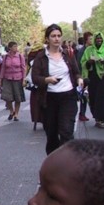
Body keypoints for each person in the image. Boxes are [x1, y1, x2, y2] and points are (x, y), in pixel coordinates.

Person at [31, 24, 82, 154]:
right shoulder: (41, 57)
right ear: (47, 38)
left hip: (68, 97)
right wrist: (47, 80)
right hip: (49, 99)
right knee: (52, 135)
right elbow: (35, 77)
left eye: (59, 36)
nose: (56, 39)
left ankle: (67, 164)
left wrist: (79, 79)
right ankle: (53, 164)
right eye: (53, 36)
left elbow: (76, 72)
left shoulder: (68, 54)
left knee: (66, 132)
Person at [80, 32, 104, 128]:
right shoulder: (89, 50)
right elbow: (83, 62)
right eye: (97, 39)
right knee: (93, 98)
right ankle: (96, 118)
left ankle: (102, 119)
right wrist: (89, 62)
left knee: (102, 99)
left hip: (103, 78)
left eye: (100, 39)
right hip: (93, 77)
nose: (99, 40)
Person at [0, 41, 25, 122]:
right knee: (7, 97)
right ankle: (11, 111)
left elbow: (23, 68)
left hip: (17, 79)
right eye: (14, 46)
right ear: (10, 48)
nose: (16, 48)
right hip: (7, 79)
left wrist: (23, 79)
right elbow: (3, 69)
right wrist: (0, 79)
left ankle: (16, 114)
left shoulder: (19, 56)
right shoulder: (6, 57)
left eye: (16, 46)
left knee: (17, 98)